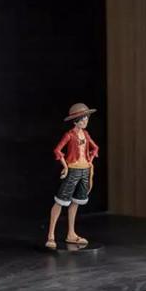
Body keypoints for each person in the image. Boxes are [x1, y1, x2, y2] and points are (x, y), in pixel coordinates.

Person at [46, 102, 99, 250]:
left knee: (76, 201)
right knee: (61, 201)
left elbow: (95, 147)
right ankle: (51, 235)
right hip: (73, 170)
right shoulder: (69, 135)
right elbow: (57, 150)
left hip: (85, 170)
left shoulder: (86, 134)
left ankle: (71, 233)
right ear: (76, 121)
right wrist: (65, 166)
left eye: (87, 118)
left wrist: (90, 160)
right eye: (83, 119)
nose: (85, 121)